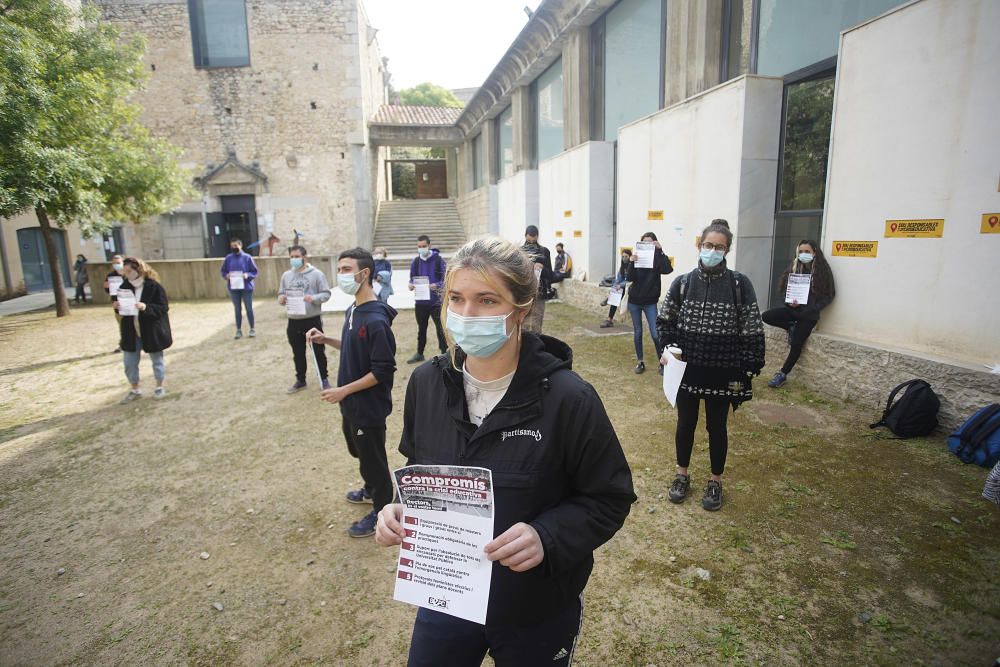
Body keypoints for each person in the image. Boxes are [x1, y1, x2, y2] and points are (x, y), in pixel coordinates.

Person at [375, 236, 635, 666]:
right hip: (448, 596)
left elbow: (609, 498)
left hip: (535, 607)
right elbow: (417, 469)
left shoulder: (569, 399)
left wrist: (547, 536)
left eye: (487, 300)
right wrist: (397, 508)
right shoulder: (426, 383)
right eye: (456, 298)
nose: (466, 314)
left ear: (522, 308)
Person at [656, 222, 765, 511]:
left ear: (727, 250)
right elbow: (665, 323)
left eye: (719, 247)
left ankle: (715, 481)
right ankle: (682, 475)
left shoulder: (740, 285)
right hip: (687, 371)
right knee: (685, 424)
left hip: (723, 371)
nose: (712, 251)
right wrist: (667, 350)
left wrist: (749, 366)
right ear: (699, 246)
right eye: (708, 245)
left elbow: (752, 328)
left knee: (717, 427)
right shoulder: (682, 283)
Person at [306, 248, 397, 538]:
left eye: (346, 269)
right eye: (340, 269)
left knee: (374, 459)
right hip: (350, 404)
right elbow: (353, 348)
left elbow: (382, 370)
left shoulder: (376, 321)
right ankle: (371, 490)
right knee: (357, 450)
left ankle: (382, 509)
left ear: (364, 273)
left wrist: (342, 390)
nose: (341, 275)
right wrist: (326, 339)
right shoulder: (353, 309)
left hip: (367, 407)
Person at [762, 240, 835, 388]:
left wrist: (813, 308)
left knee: (796, 343)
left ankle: (782, 374)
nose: (804, 255)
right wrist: (788, 302)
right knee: (767, 316)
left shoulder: (823, 271)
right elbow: (784, 289)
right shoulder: (795, 268)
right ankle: (790, 326)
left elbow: (830, 295)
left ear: (815, 252)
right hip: (793, 311)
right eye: (801, 252)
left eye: (807, 252)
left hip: (809, 316)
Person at [114, 257, 172, 403]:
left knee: (156, 360)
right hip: (131, 330)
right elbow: (122, 306)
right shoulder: (124, 287)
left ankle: (159, 386)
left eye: (129, 271)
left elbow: (163, 307)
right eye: (125, 271)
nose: (127, 274)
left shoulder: (153, 286)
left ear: (138, 270)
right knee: (129, 362)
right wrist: (118, 306)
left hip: (150, 330)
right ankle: (135, 389)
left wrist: (146, 307)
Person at [277, 245, 332, 393]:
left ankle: (324, 379)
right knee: (298, 352)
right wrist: (281, 299)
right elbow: (281, 294)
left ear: (304, 257)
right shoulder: (286, 276)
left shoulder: (317, 274)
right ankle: (300, 380)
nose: (294, 259)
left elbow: (326, 294)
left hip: (312, 320)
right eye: (291, 257)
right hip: (293, 320)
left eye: (297, 256)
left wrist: (313, 298)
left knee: (318, 350)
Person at [626, 232, 673, 374]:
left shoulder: (657, 258)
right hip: (634, 301)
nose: (647, 245)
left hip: (650, 302)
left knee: (655, 333)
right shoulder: (637, 257)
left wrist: (660, 250)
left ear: (654, 243)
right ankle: (640, 361)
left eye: (650, 243)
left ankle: (662, 362)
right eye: (644, 243)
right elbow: (630, 277)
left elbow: (668, 269)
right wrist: (631, 262)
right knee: (638, 332)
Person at [407, 235, 447, 364]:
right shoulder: (415, 262)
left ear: (429, 245)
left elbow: (446, 279)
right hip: (420, 302)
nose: (421, 249)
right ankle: (419, 353)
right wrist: (411, 284)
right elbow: (412, 278)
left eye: (423, 246)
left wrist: (437, 285)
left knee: (440, 328)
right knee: (421, 328)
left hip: (436, 301)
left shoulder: (439, 260)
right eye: (419, 247)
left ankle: (444, 353)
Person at [219, 238, 259, 339]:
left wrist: (247, 275)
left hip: (246, 287)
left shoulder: (247, 258)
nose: (234, 248)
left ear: (240, 245)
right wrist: (226, 276)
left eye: (236, 246)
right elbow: (223, 271)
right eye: (232, 246)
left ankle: (252, 328)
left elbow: (255, 272)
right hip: (234, 288)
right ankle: (238, 330)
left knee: (249, 309)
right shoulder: (228, 258)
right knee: (237, 309)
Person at [520, 225, 552, 333]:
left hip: (540, 292)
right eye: (529, 240)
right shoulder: (519, 251)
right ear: (525, 236)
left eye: (534, 239)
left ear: (537, 237)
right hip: (523, 292)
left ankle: (536, 347)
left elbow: (550, 275)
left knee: (537, 325)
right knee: (522, 323)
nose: (531, 242)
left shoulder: (544, 251)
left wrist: (541, 268)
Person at [600, 249, 631, 328]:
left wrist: (620, 285)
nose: (624, 258)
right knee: (616, 292)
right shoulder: (622, 268)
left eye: (626, 256)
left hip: (630, 287)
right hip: (623, 287)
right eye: (623, 256)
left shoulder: (632, 266)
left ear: (630, 257)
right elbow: (618, 279)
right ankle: (609, 319)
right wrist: (615, 286)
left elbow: (630, 280)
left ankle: (609, 301)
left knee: (617, 293)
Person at [104, 255, 125, 352]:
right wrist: (106, 287)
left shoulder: (128, 274)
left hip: (129, 305)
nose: (117, 265)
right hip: (117, 306)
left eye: (118, 262)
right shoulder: (110, 276)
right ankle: (123, 344)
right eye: (114, 263)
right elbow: (110, 291)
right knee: (122, 326)